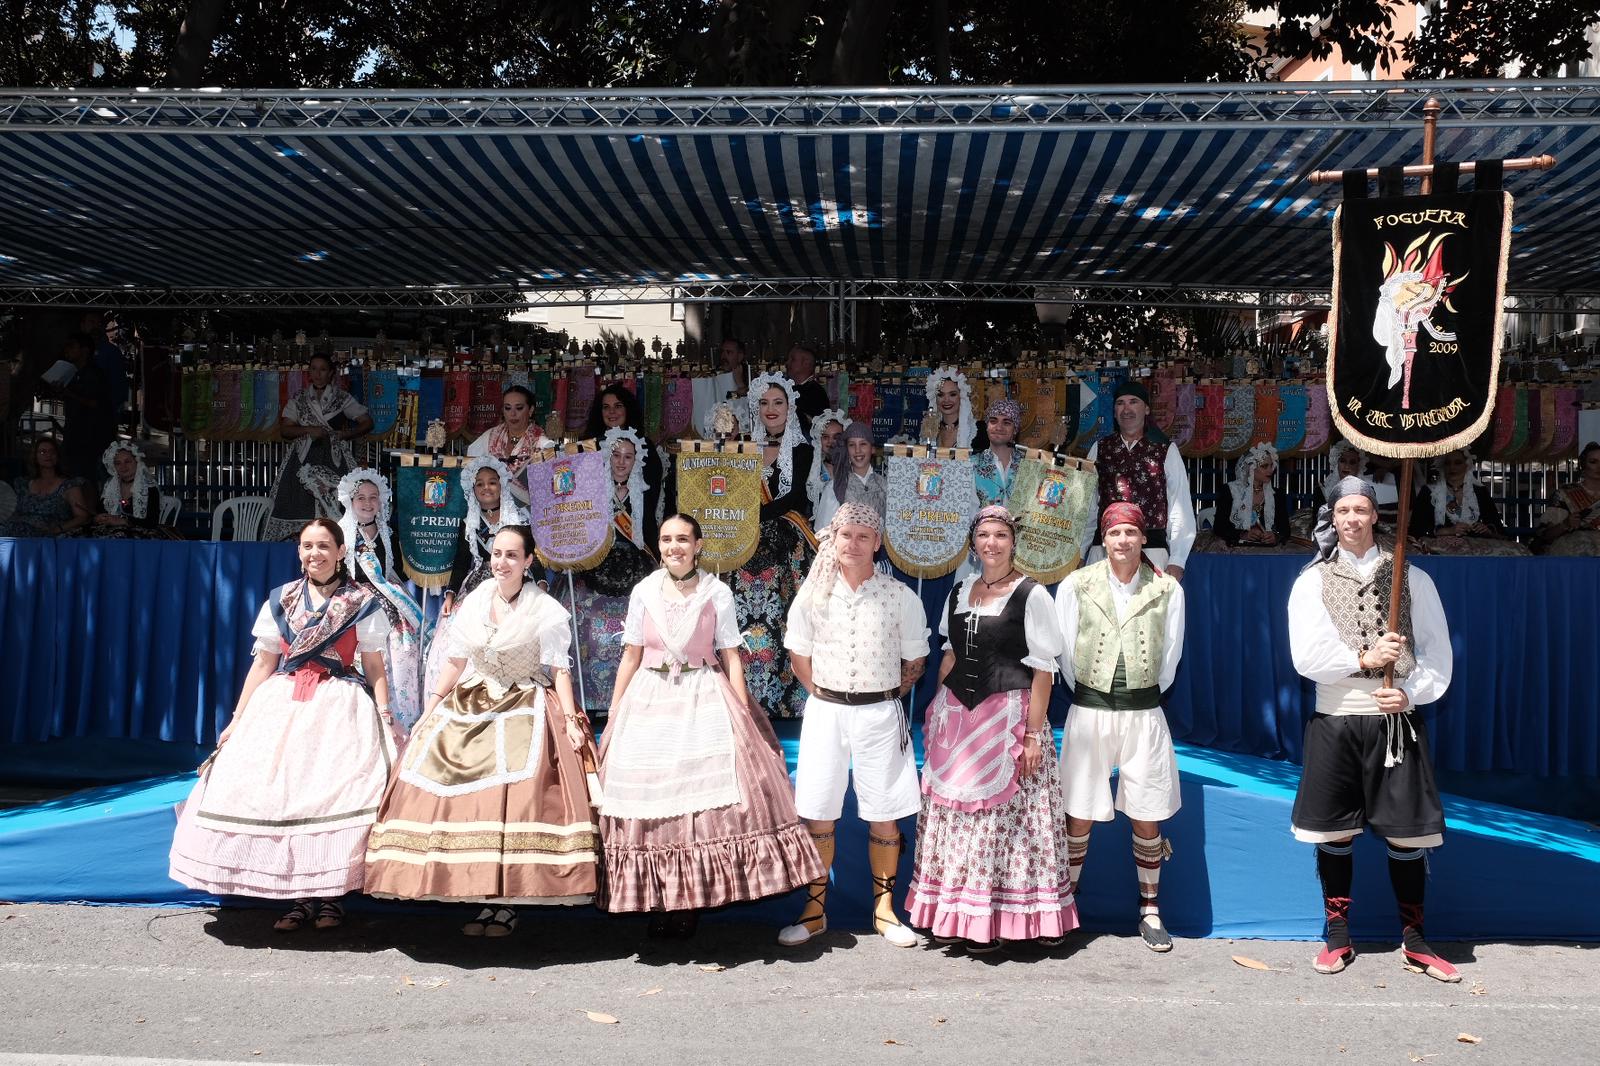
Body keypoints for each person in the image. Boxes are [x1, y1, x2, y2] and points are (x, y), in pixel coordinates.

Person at [365, 525, 601, 936]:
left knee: (514, 798)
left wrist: (569, 720)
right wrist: (432, 707)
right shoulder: (475, 601)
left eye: (512, 555)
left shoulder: (543, 608)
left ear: (528, 562)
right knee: (448, 783)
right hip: (473, 699)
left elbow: (558, 669)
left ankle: (508, 903)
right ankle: (475, 895)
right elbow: (456, 661)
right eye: (496, 554)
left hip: (526, 698)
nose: (501, 562)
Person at [596, 514, 824, 937]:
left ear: (698, 545)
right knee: (648, 798)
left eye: (682, 539)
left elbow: (732, 655)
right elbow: (630, 655)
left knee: (698, 801)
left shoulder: (717, 591)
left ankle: (691, 901)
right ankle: (658, 898)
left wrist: (742, 710)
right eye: (666, 539)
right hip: (648, 697)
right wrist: (613, 712)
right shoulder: (643, 591)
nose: (674, 547)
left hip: (703, 692)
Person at [168, 518, 396, 932]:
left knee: (329, 795)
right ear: (299, 552)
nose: (315, 554)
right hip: (283, 700)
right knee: (281, 794)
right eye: (308, 546)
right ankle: (296, 898)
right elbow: (263, 663)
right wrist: (237, 720)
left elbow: (376, 666)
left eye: (324, 546)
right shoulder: (282, 598)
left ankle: (331, 897)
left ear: (341, 551)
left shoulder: (361, 600)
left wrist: (384, 714)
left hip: (338, 703)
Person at [1287, 476, 1457, 982]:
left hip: (1395, 720)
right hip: (1337, 720)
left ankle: (1415, 940)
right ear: (1332, 518)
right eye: (1344, 512)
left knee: (1408, 837)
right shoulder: (1310, 581)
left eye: (1362, 510)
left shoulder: (1413, 578)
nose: (1353, 520)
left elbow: (1437, 654)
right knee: (1334, 832)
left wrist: (1411, 693)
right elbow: (1306, 657)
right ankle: (1338, 938)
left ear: (1375, 516)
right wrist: (1364, 656)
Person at [908, 505, 1077, 952]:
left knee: (1011, 822)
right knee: (959, 819)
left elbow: (1043, 670)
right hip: (960, 722)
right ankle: (961, 915)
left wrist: (1034, 735)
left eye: (1000, 535)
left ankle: (1014, 918)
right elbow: (949, 654)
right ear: (973, 542)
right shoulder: (960, 590)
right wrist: (936, 710)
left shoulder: (1031, 594)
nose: (992, 543)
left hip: (1009, 717)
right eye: (984, 535)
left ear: (1012, 542)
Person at [779, 503, 929, 948]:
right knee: (818, 810)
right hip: (825, 712)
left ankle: (885, 911)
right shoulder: (812, 593)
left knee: (884, 811)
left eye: (864, 536)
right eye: (846, 535)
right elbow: (798, 654)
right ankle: (814, 911)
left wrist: (882, 697)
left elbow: (916, 660)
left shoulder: (900, 595)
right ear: (834, 539)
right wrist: (826, 694)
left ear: (877, 543)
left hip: (880, 714)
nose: (854, 543)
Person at [1055, 501, 1186, 953]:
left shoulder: (1167, 589)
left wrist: (1136, 694)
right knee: (1079, 809)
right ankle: (1067, 904)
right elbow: (1065, 653)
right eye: (1115, 533)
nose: (1124, 541)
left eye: (1132, 532)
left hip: (1144, 712)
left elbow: (1170, 659)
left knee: (1146, 811)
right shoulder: (1075, 585)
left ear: (1142, 538)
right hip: (1089, 710)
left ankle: (1149, 909)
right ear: (1103, 539)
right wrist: (1093, 692)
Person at [733, 373, 817, 718]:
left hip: (786, 548)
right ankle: (747, 700)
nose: (771, 409)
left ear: (789, 407)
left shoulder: (802, 449)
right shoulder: (741, 448)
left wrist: (751, 512)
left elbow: (793, 497)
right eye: (764, 403)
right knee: (747, 623)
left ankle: (788, 702)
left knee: (785, 622)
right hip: (746, 547)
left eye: (778, 403)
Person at [566, 427, 659, 713]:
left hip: (635, 564)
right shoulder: (592, 491)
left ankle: (631, 698)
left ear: (636, 461)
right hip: (597, 564)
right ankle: (591, 699)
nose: (621, 462)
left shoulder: (644, 490)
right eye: (616, 455)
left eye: (628, 457)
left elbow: (648, 531)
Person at [427, 457, 527, 701]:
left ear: (502, 485)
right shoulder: (470, 522)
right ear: (473, 490)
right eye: (480, 484)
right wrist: (450, 593)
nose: (486, 488)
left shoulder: (518, 519)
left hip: (513, 581)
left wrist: (542, 584)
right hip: (478, 584)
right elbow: (461, 560)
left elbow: (530, 554)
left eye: (492, 482)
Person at [337, 469, 427, 732]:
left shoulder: (388, 533)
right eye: (361, 498)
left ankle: (401, 721)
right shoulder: (341, 533)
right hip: (356, 605)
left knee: (402, 657)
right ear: (349, 501)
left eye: (373, 497)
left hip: (390, 607)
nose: (367, 503)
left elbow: (393, 571)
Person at [1081, 381, 1195, 581]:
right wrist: (1080, 553)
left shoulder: (1165, 450)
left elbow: (1180, 506)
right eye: (1120, 403)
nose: (1126, 409)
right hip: (1105, 555)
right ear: (1114, 412)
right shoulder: (1100, 448)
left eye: (1133, 402)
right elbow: (1088, 506)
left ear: (1147, 409)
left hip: (1152, 554)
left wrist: (1177, 559)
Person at [263, 355, 373, 542]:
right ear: (309, 373)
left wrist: (343, 435)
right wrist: (307, 429)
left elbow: (366, 422)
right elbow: (286, 429)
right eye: (314, 369)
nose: (318, 374)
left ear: (331, 373)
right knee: (296, 505)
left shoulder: (341, 398)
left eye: (323, 369)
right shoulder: (299, 399)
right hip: (301, 460)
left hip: (334, 459)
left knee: (336, 507)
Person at [1410, 448, 1523, 556]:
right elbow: (1416, 528)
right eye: (1448, 463)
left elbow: (1495, 525)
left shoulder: (1479, 491)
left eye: (1457, 463)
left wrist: (1486, 529)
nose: (1452, 467)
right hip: (1440, 548)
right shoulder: (1429, 492)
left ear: (1467, 465)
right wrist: (1447, 531)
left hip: (1476, 546)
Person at [582, 384, 666, 525]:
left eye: (618, 406)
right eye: (606, 407)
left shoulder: (644, 446)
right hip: (598, 526)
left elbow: (651, 490)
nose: (612, 412)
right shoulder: (589, 446)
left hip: (635, 525)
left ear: (628, 410)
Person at [49, 333, 119, 487]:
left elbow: (95, 403)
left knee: (90, 481)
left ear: (85, 350)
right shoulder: (73, 373)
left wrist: (69, 394)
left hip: (92, 438)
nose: (68, 351)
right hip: (76, 435)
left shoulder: (94, 374)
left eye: (72, 347)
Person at [466, 384, 541, 509]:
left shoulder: (541, 443)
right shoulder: (491, 437)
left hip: (530, 514)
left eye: (519, 408)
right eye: (507, 408)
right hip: (494, 512)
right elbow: (470, 465)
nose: (512, 413)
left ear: (531, 410)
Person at [2, 437, 90, 537]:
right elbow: (12, 511)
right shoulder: (23, 484)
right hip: (18, 533)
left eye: (52, 452)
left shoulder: (69, 485)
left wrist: (57, 529)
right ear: (35, 456)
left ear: (57, 456)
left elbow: (82, 517)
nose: (48, 455)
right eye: (43, 452)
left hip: (51, 535)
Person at [1214, 442, 1292, 549]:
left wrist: (1275, 536)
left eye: (1271, 466)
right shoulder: (1230, 490)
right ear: (1251, 468)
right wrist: (1242, 534)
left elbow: (1285, 530)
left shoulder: (1276, 494)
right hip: (1235, 547)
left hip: (1267, 550)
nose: (1270, 470)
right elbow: (1219, 528)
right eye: (1265, 466)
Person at [814, 419, 886, 532]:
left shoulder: (884, 485)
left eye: (863, 444)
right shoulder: (836, 487)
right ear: (846, 450)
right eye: (852, 445)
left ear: (872, 449)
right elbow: (823, 532)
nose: (858, 450)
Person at [1534, 441, 1600, 556]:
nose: (1599, 467)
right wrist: (1565, 524)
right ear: (1583, 465)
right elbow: (1545, 535)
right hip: (1575, 553)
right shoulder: (1565, 494)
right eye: (1593, 462)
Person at [971, 398, 1022, 506]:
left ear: (1015, 429)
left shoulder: (1028, 465)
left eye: (1006, 422)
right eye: (993, 421)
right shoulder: (972, 464)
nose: (999, 427)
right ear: (987, 426)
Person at [804, 407, 850, 512]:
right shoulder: (812, 472)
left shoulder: (853, 471)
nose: (831, 442)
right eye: (825, 437)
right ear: (819, 441)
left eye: (837, 437)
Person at [926, 366, 976, 450]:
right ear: (935, 398)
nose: (946, 400)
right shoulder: (929, 430)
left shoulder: (974, 431)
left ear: (961, 397)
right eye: (941, 395)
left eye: (952, 394)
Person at [785, 343, 830, 434]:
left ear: (806, 363)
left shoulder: (815, 392)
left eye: (792, 360)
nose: (787, 363)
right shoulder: (787, 388)